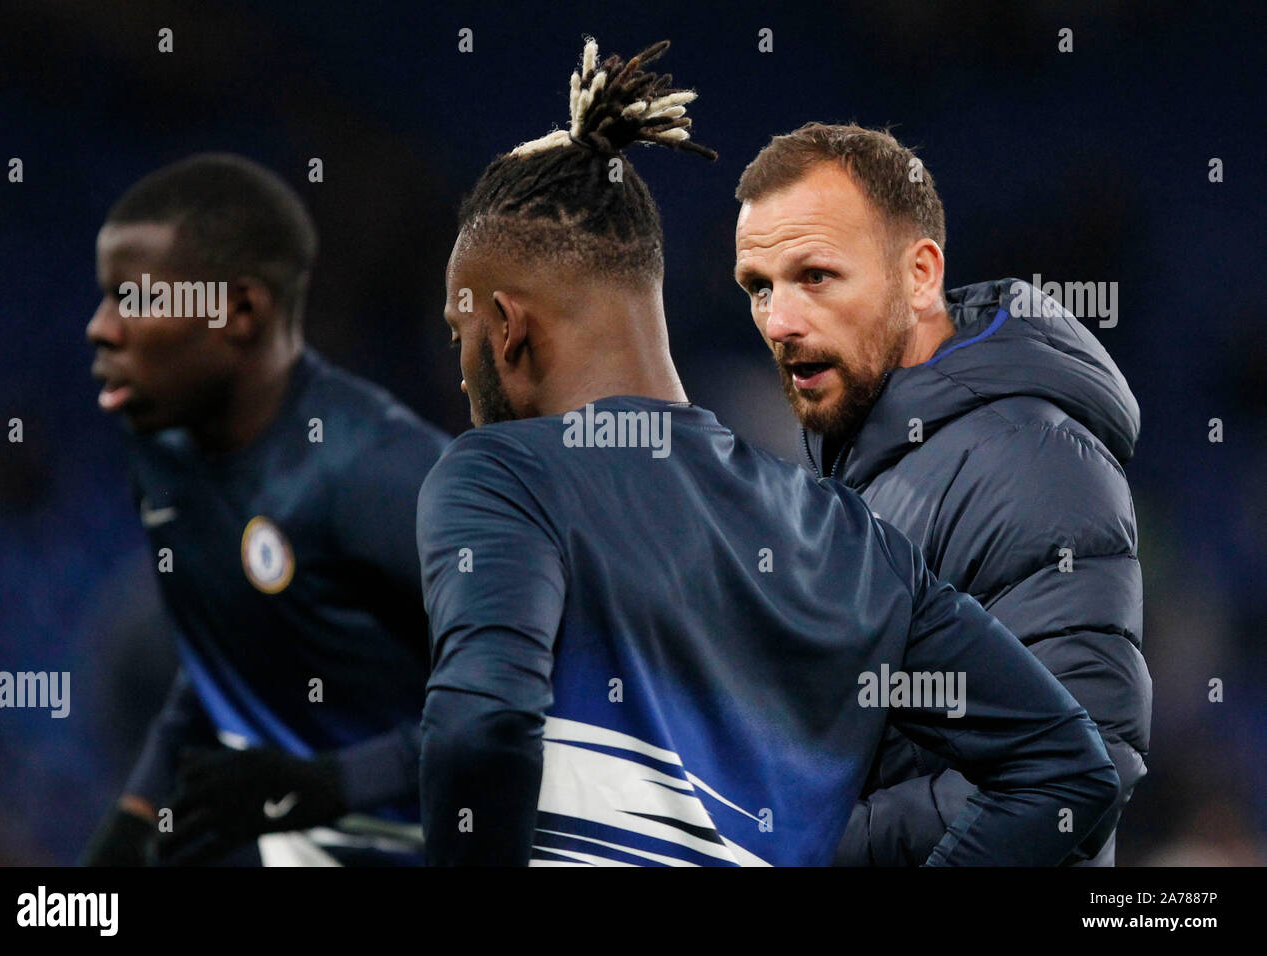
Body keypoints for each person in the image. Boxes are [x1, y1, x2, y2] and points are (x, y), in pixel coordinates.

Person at [416, 39, 1118, 867]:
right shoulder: (852, 544)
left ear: (507, 326)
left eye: (461, 335)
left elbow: (485, 728)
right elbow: (1070, 775)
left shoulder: (499, 476)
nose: (465, 379)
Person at [733, 123, 1150, 866]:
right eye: (760, 288)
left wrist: (795, 845)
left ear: (920, 276)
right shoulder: (869, 459)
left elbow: (1077, 779)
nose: (780, 323)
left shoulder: (1033, 460)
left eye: (816, 277)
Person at [81, 153, 448, 866]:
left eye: (143, 301)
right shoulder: (186, 492)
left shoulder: (385, 477)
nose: (103, 328)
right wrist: (128, 827)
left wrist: (338, 782)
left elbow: (527, 701)